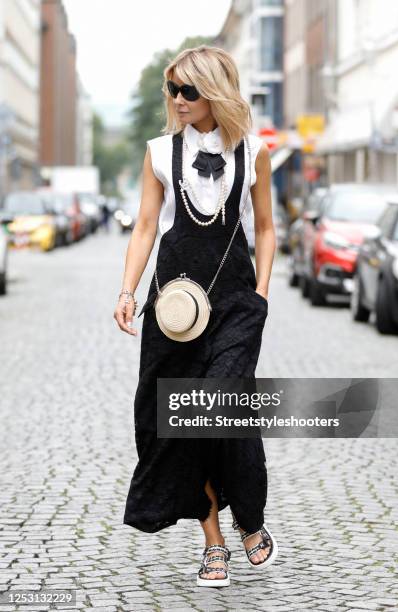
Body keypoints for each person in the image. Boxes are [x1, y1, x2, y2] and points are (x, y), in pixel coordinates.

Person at [114, 45, 278, 587]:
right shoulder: (160, 152)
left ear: (215, 91)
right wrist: (126, 291)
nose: (177, 100)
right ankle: (214, 542)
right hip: (174, 310)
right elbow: (143, 227)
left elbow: (266, 229)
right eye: (172, 90)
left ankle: (250, 516)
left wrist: (260, 295)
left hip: (234, 304)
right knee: (180, 425)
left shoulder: (254, 152)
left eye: (187, 90)